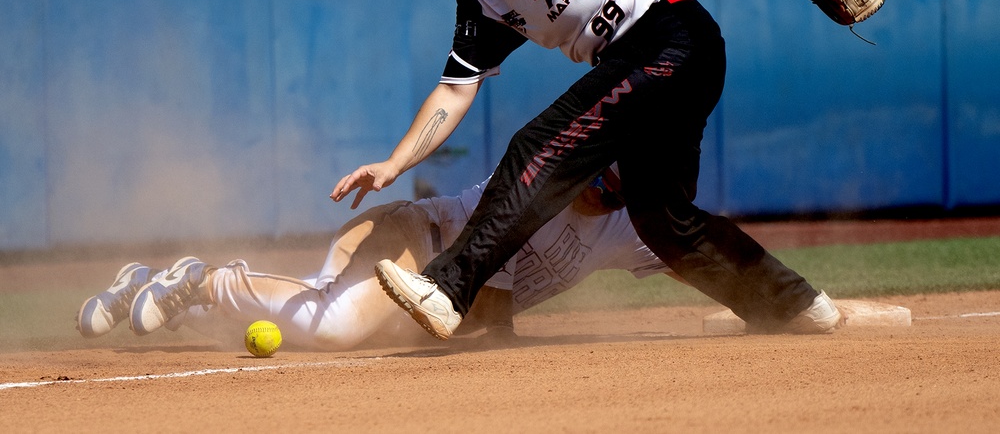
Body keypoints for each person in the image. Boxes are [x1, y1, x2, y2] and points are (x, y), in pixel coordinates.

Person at [331, 0, 841, 341]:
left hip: (674, 37)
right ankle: (792, 306)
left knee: (539, 148)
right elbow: (454, 92)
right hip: (640, 69)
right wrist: (395, 164)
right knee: (662, 221)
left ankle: (446, 290)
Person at [77, 168, 694, 350]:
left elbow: (706, 255)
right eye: (599, 174)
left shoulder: (626, 226)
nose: (600, 192)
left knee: (307, 322)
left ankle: (153, 289)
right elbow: (495, 312)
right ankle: (202, 281)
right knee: (334, 323)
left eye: (615, 187)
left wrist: (763, 304)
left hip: (416, 302)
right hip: (407, 240)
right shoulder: (536, 182)